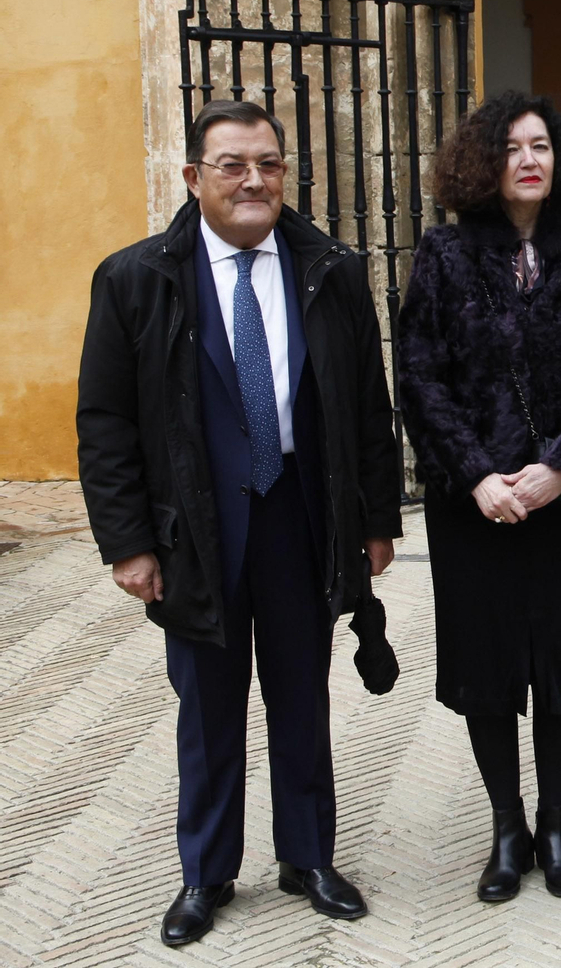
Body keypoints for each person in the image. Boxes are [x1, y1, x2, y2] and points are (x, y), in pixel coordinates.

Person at [76, 100, 403, 945]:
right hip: (195, 527)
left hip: (299, 512)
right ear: (194, 177)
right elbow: (105, 421)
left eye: (268, 163)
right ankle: (206, 872)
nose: (253, 180)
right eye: (232, 165)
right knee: (209, 708)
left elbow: (367, 405)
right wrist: (128, 543)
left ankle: (309, 856)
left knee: (302, 695)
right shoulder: (136, 279)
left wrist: (374, 520)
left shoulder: (330, 269)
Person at [396, 92, 561, 901]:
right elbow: (420, 377)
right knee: (487, 665)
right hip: (474, 504)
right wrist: (476, 474)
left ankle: (555, 822)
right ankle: (507, 827)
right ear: (482, 163)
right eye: (510, 148)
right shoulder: (443, 253)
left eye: (540, 145)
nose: (528, 160)